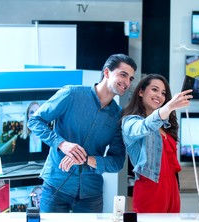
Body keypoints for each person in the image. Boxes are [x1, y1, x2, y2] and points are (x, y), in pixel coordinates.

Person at [28, 54, 137, 213]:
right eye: (123, 75)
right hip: (56, 186)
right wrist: (62, 144)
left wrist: (87, 160)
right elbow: (35, 121)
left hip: (91, 194)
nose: (127, 82)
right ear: (106, 73)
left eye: (131, 79)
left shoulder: (118, 117)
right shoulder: (71, 94)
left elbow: (117, 161)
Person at [121, 74, 193, 213]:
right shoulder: (130, 122)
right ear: (141, 92)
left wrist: (168, 109)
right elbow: (145, 126)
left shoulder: (167, 125)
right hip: (150, 187)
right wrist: (169, 107)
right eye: (155, 90)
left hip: (172, 188)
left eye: (163, 93)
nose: (159, 95)